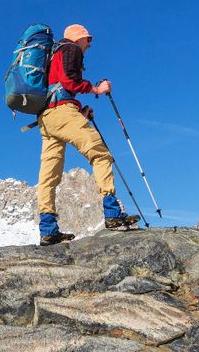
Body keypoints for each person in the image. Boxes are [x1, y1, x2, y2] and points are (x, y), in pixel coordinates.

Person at [36, 24, 140, 245]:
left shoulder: (53, 54)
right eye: (88, 39)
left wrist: (80, 111)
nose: (90, 44)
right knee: (100, 154)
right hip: (62, 113)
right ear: (78, 38)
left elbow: (59, 88)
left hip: (47, 118)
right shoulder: (70, 49)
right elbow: (69, 81)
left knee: (49, 174)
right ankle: (113, 214)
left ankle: (47, 229)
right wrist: (97, 89)